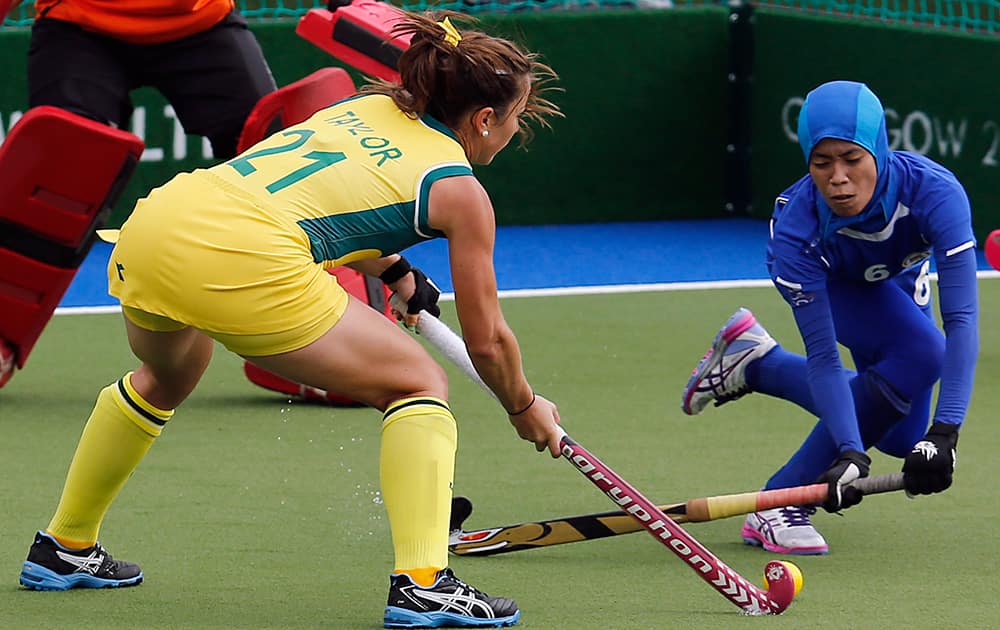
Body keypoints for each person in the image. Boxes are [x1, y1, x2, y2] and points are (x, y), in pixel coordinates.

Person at [17, 11, 563, 628]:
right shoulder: (460, 191)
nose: (514, 133)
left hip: (157, 230)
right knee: (417, 384)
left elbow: (313, 194)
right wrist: (523, 407)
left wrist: (397, 272)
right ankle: (424, 585)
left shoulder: (362, 110)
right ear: (484, 119)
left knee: (166, 376)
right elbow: (487, 340)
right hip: (244, 257)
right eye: (516, 119)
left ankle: (65, 546)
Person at [680, 80, 978, 555]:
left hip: (895, 278)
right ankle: (776, 503)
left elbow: (961, 317)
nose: (838, 177)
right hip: (835, 280)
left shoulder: (935, 193)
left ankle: (757, 362)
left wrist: (944, 433)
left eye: (852, 159)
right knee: (921, 353)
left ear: (878, 151)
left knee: (903, 438)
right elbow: (823, 357)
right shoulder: (797, 230)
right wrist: (848, 451)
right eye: (822, 163)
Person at [0, 0, 277, 387]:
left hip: (201, 24)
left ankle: (311, 346)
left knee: (275, 156)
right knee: (57, 170)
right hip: (79, 26)